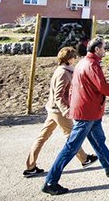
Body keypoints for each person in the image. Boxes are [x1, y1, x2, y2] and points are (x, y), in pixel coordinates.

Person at [41, 37, 109, 196]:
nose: (105, 50)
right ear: (97, 50)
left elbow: (73, 88)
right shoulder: (92, 64)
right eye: (104, 48)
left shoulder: (82, 63)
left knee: (98, 139)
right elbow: (102, 86)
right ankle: (50, 181)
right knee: (71, 147)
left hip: (89, 110)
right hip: (87, 112)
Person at [23, 47, 97, 177]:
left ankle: (30, 167)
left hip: (53, 109)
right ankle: (84, 159)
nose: (75, 59)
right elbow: (58, 95)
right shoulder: (63, 72)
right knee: (73, 136)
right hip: (58, 111)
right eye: (74, 57)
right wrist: (66, 110)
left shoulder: (63, 70)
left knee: (43, 137)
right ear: (69, 59)